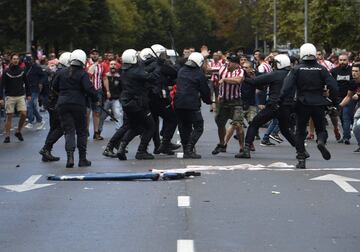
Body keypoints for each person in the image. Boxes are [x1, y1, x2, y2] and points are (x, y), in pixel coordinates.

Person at [281, 43, 339, 169]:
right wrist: (333, 102)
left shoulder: (296, 69)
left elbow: (286, 87)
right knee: (321, 129)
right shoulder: (321, 69)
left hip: (302, 103)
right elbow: (334, 86)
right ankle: (321, 142)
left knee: (300, 132)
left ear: (301, 54)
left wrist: (283, 101)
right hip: (319, 102)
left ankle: (301, 159)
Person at [236, 54, 296, 159]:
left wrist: (243, 77)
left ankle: (246, 150)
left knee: (254, 124)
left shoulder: (276, 74)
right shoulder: (293, 75)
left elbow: (255, 81)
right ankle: (301, 151)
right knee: (285, 130)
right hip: (287, 106)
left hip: (273, 106)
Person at [53, 49, 99, 168]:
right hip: (78, 104)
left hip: (63, 103)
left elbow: (54, 86)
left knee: (69, 131)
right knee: (81, 131)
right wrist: (95, 99)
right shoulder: (82, 73)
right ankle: (82, 159)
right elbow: (89, 89)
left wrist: (63, 93)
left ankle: (70, 158)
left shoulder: (62, 72)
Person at [116, 49, 160, 160]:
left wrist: (151, 62)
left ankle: (122, 147)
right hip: (139, 104)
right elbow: (153, 77)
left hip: (127, 103)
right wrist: (159, 65)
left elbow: (142, 70)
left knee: (136, 127)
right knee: (151, 126)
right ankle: (141, 151)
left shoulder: (124, 71)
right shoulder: (136, 72)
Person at [175, 52, 211, 158]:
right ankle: (189, 148)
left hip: (178, 103)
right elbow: (205, 91)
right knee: (199, 126)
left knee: (183, 126)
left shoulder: (181, 71)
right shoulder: (199, 74)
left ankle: (186, 149)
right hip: (192, 104)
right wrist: (208, 101)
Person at [39, 52, 71, 162]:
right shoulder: (62, 72)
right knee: (61, 128)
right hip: (56, 104)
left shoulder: (58, 71)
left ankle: (46, 152)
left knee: (53, 128)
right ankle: (45, 149)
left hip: (52, 103)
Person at [212, 53, 245, 155]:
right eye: (229, 61)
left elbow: (238, 80)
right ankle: (222, 144)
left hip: (236, 101)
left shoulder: (240, 71)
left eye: (232, 62)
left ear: (236, 64)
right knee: (220, 124)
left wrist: (225, 79)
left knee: (238, 124)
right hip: (223, 101)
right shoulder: (222, 68)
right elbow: (210, 69)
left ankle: (242, 148)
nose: (229, 63)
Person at [0, 53, 31, 143]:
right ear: (11, 60)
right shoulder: (6, 72)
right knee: (9, 116)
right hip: (10, 96)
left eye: (17, 59)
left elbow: (27, 83)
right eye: (14, 59)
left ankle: (18, 131)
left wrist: (28, 94)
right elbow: (1, 86)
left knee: (24, 114)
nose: (15, 60)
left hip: (20, 95)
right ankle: (7, 136)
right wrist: (1, 97)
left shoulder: (22, 71)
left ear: (18, 60)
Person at [85, 48, 110, 140]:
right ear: (90, 55)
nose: (95, 55)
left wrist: (107, 90)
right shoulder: (86, 64)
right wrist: (94, 64)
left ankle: (96, 132)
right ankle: (86, 131)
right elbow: (89, 73)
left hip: (97, 90)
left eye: (96, 54)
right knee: (87, 112)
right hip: (87, 91)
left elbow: (104, 78)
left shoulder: (102, 66)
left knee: (97, 112)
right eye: (93, 54)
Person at [331, 53, 353, 144]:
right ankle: (346, 134)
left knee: (346, 116)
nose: (342, 62)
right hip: (338, 98)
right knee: (341, 117)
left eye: (344, 60)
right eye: (341, 60)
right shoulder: (334, 71)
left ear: (348, 61)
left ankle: (346, 137)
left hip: (349, 97)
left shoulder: (352, 70)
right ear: (338, 61)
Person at [339, 64, 360, 151]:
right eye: (353, 71)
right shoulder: (352, 82)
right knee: (355, 128)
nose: (354, 73)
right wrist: (339, 107)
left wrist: (358, 95)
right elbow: (348, 97)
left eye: (356, 71)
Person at [98, 60, 123, 133]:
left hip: (116, 99)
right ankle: (98, 131)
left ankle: (119, 132)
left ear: (117, 66)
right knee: (102, 116)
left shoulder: (119, 77)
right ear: (109, 66)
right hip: (106, 100)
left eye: (114, 64)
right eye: (111, 64)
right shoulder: (105, 76)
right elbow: (101, 88)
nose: (113, 66)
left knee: (118, 115)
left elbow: (122, 89)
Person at [23, 55, 47, 130]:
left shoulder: (37, 68)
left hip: (35, 88)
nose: (26, 63)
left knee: (29, 104)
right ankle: (39, 119)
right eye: (25, 62)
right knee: (32, 105)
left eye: (27, 61)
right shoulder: (25, 69)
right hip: (27, 89)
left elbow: (44, 76)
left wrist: (40, 83)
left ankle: (30, 121)